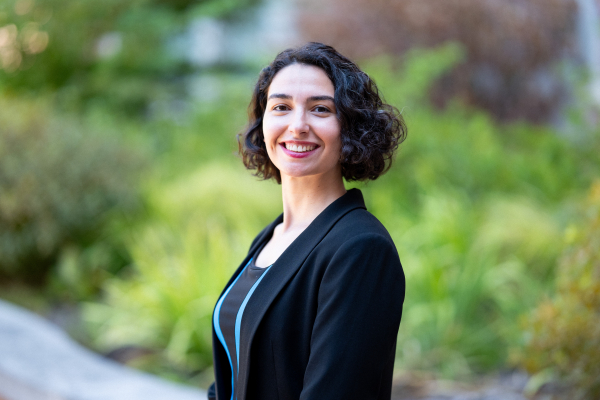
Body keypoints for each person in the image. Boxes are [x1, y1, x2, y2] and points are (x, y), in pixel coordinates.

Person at [208, 42, 407, 400]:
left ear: (349, 127)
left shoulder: (360, 250)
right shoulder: (272, 237)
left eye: (320, 109)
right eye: (281, 107)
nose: (297, 126)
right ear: (264, 121)